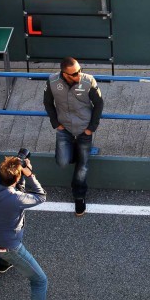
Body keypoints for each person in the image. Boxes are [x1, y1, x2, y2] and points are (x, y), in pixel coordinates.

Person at [0, 156, 62, 300]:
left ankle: (4, 263)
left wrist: (16, 172)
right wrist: (29, 173)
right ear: (16, 178)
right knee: (40, 281)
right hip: (10, 246)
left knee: (3, 251)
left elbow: (7, 183)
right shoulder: (15, 198)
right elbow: (41, 196)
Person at [43, 56, 104, 216]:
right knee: (62, 162)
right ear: (64, 74)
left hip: (84, 129)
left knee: (82, 166)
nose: (79, 75)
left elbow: (99, 103)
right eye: (75, 73)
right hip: (64, 128)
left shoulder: (88, 81)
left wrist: (91, 128)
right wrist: (56, 123)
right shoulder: (52, 81)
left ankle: (79, 196)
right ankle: (78, 155)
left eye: (79, 71)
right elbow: (48, 103)